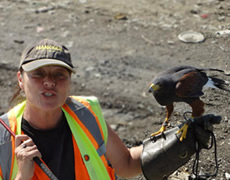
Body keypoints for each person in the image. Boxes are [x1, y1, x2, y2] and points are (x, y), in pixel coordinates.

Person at [0, 38, 217, 180]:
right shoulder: (3, 137)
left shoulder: (85, 112)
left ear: (69, 81)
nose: (49, 82)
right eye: (38, 74)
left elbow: (126, 164)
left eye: (59, 74)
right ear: (20, 79)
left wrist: (180, 140)